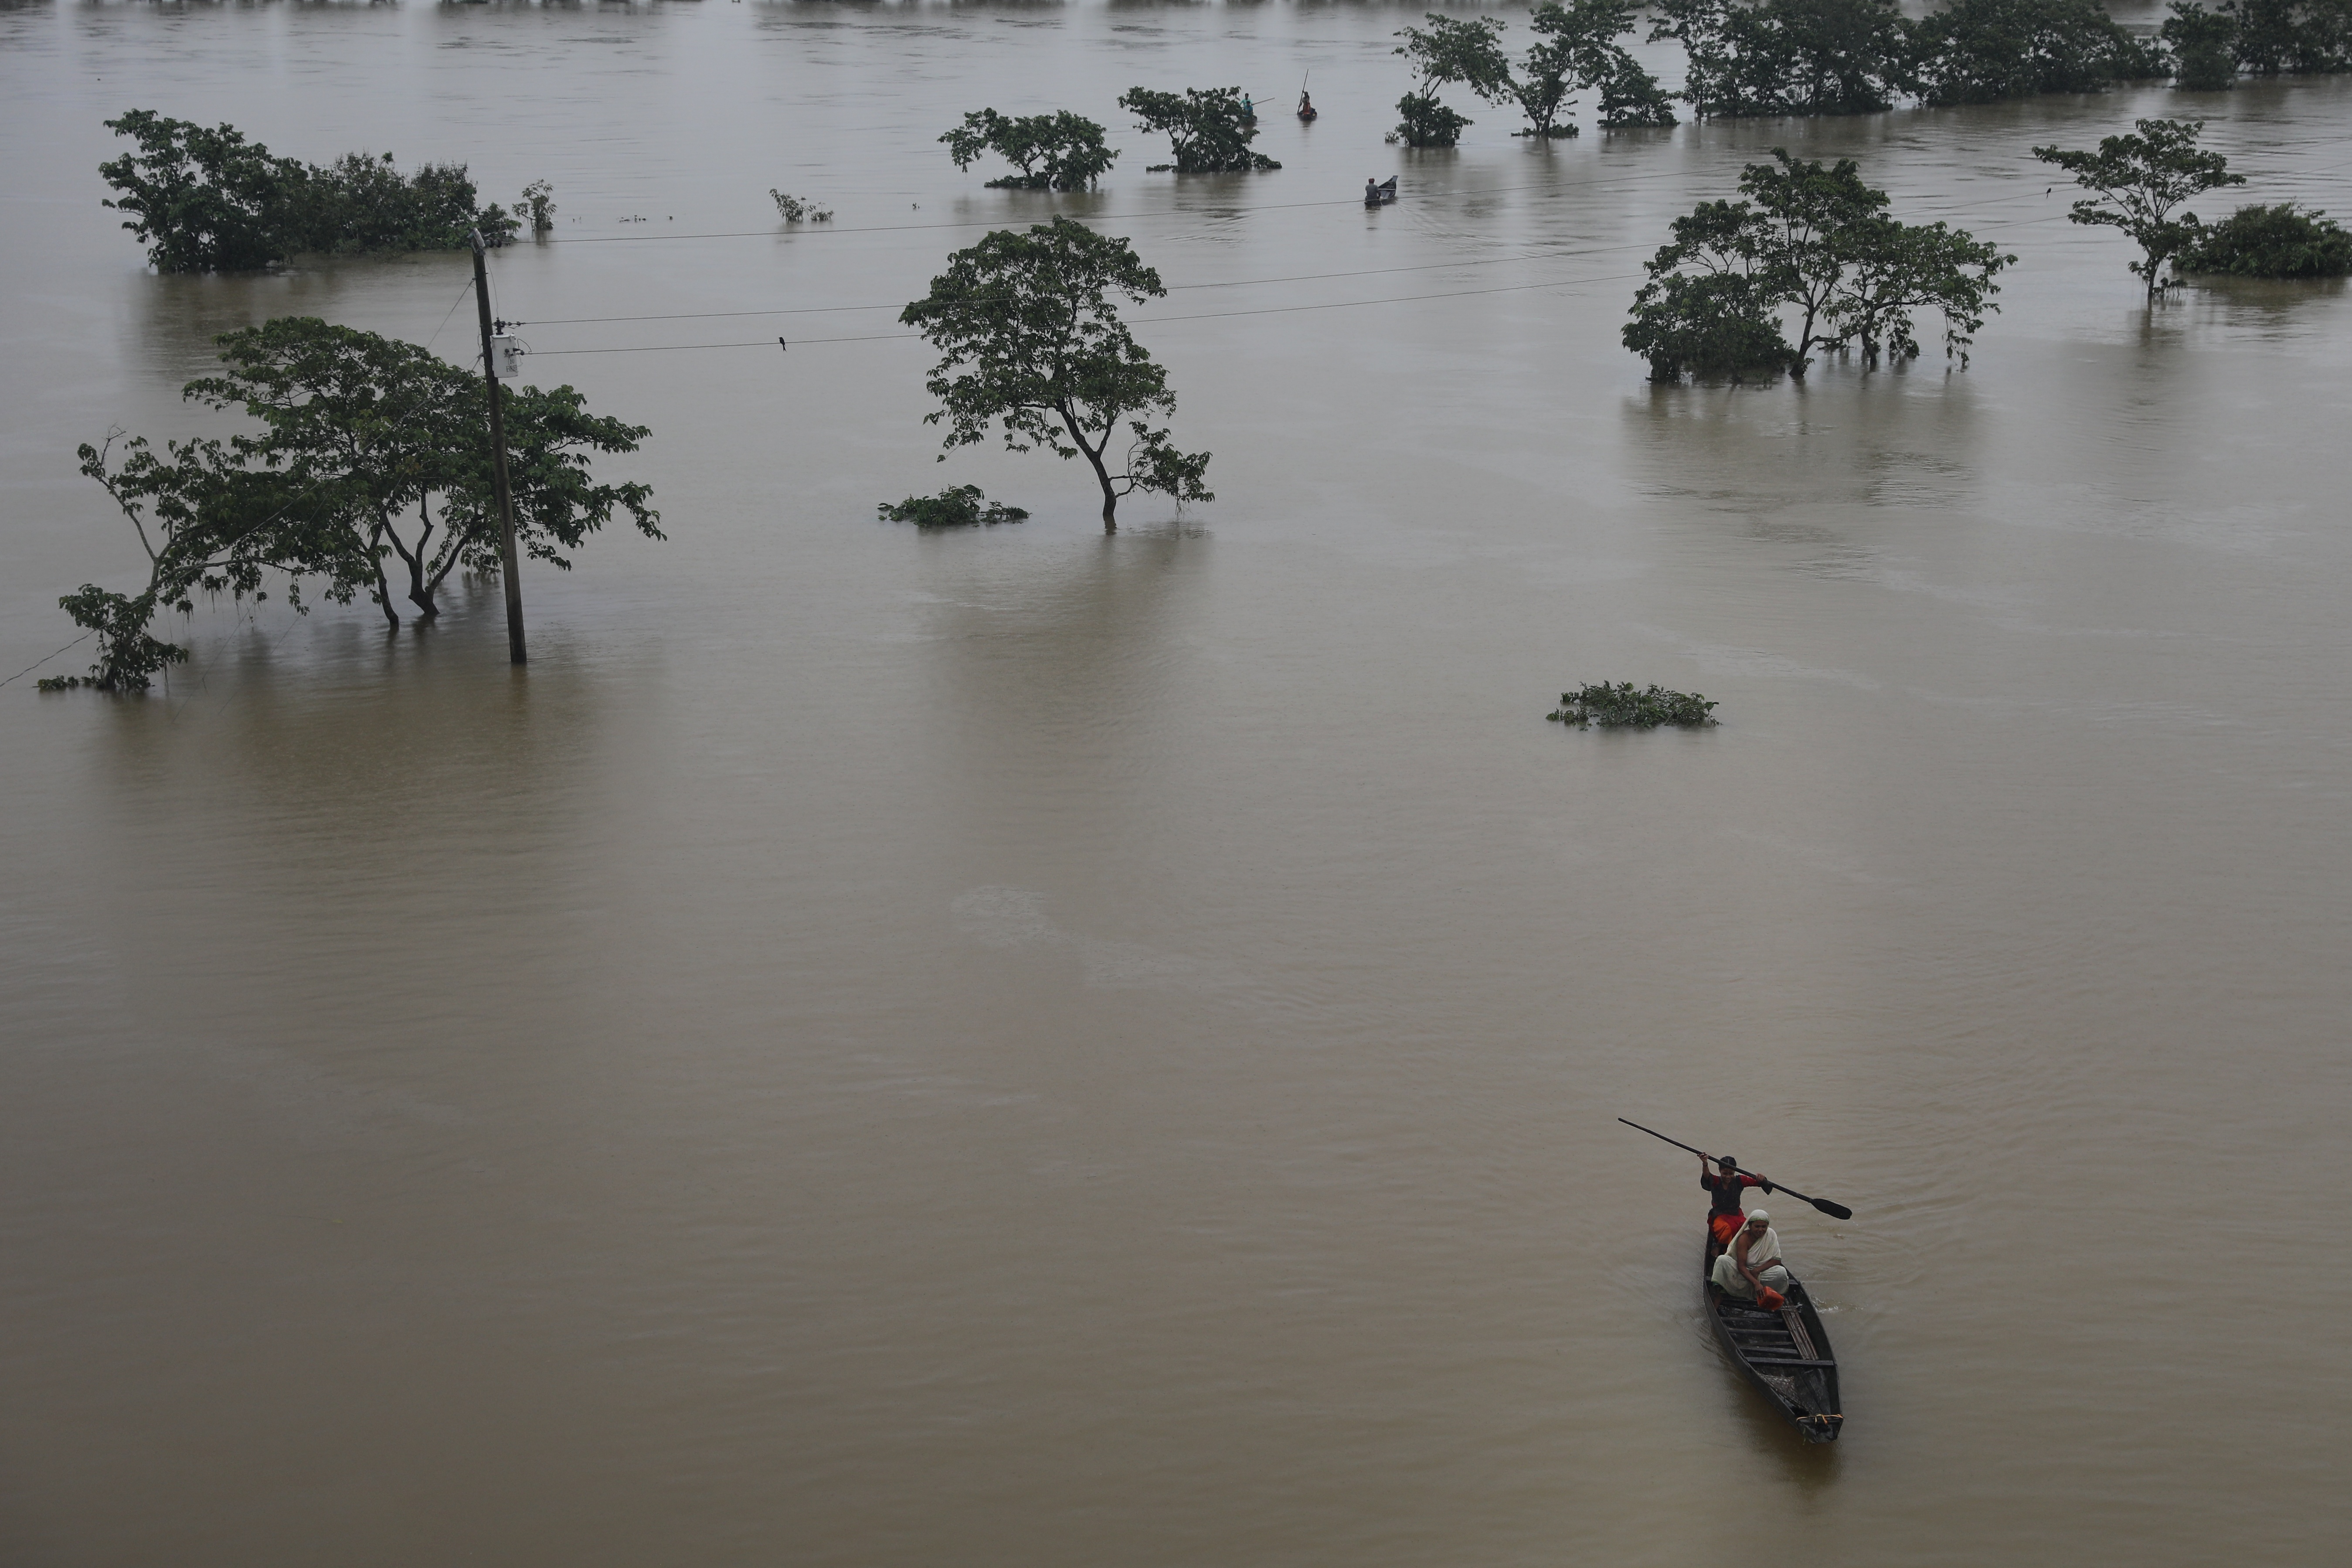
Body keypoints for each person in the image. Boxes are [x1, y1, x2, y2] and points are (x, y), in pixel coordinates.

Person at [1710, 1211, 1791, 1305]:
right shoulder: (1744, 1239)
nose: (1761, 1230)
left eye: (1764, 1227)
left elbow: (1776, 1260)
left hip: (1762, 1272)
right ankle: (1719, 1295)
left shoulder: (1771, 1235)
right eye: (1757, 1227)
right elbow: (1741, 1266)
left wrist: (1757, 1270)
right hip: (1743, 1272)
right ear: (1750, 1226)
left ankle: (1771, 1295)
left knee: (1781, 1272)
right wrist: (1756, 1283)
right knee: (1722, 1260)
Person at [1700, 1153, 1769, 1252]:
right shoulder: (1716, 1181)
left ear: (1735, 1172)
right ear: (1720, 1171)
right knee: (1729, 1229)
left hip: (1736, 1214)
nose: (1728, 1177)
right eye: (1725, 1174)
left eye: (1731, 1174)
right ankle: (1720, 1245)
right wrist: (1705, 1163)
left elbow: (1757, 1182)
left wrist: (1761, 1178)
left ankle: (1746, 1248)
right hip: (1719, 1215)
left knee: (1747, 1229)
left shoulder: (1740, 1180)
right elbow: (1707, 1177)